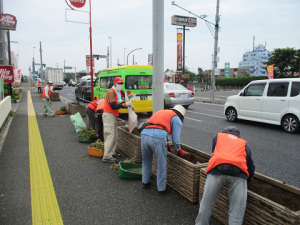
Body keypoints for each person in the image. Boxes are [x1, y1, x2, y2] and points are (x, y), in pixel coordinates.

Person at [195, 126, 255, 225]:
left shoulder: (217, 137)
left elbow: (215, 152)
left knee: (206, 203)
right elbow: (250, 164)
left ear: (224, 132)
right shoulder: (244, 144)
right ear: (238, 136)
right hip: (239, 174)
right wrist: (250, 177)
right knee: (236, 210)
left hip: (217, 170)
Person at [141, 105, 186, 195]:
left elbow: (155, 125)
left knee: (146, 161)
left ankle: (145, 182)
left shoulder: (161, 112)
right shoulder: (176, 118)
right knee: (161, 164)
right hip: (158, 138)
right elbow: (176, 140)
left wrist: (166, 142)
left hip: (144, 135)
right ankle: (161, 189)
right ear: (181, 115)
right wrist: (179, 150)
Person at [102, 77, 133, 163]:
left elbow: (117, 104)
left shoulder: (117, 92)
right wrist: (125, 105)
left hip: (112, 115)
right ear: (114, 83)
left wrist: (126, 105)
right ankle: (107, 156)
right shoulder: (112, 92)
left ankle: (111, 153)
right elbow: (113, 106)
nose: (120, 85)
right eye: (119, 83)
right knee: (110, 135)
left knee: (114, 135)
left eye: (121, 83)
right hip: (109, 115)